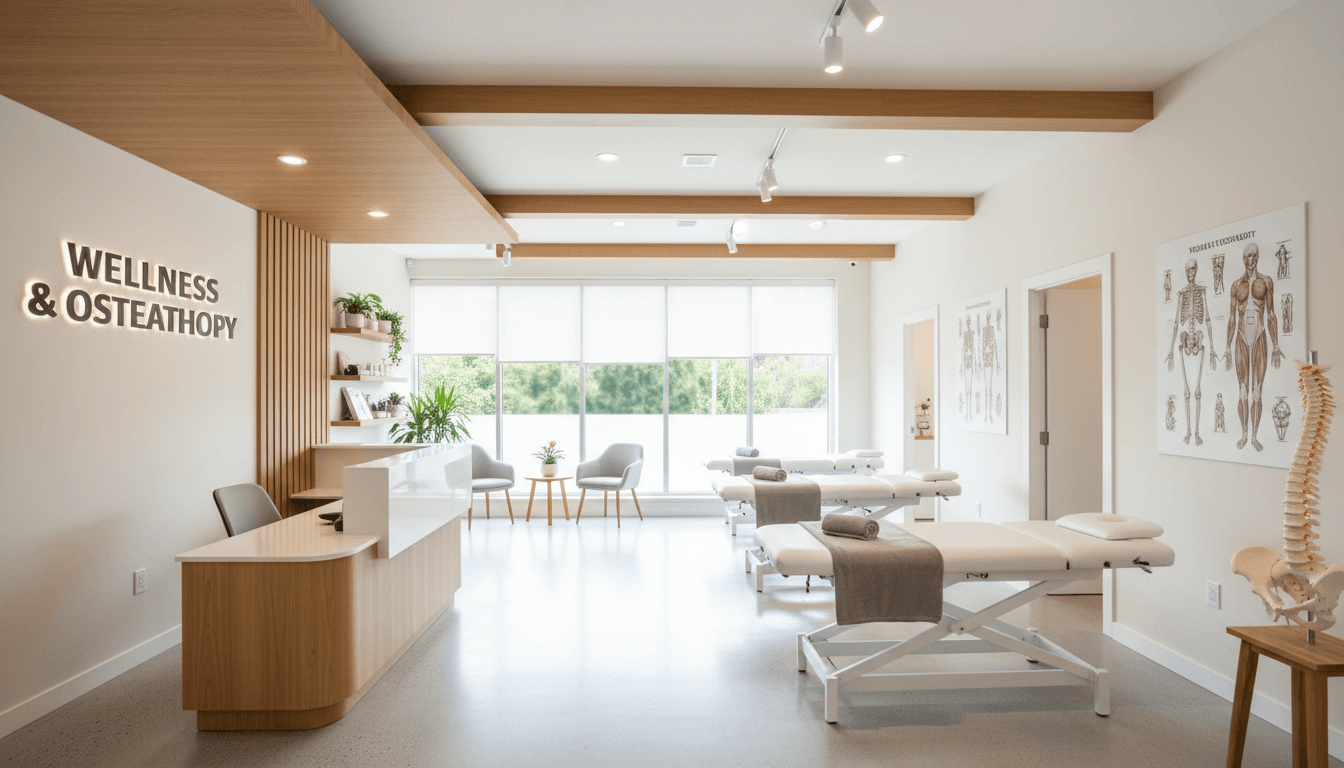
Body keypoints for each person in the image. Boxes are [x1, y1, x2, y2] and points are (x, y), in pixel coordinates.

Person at [1226, 242, 1284, 452]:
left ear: (1258, 257)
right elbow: (1232, 318)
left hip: (1259, 336)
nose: (1251, 259)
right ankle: (1243, 434)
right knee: (1242, 392)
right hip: (1241, 338)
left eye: (1254, 255)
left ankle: (1255, 436)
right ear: (1243, 259)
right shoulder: (1235, 286)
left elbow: (1271, 314)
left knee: (1257, 392)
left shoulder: (1266, 282)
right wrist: (1226, 347)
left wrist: (1276, 344)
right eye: (1248, 256)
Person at [1165, 259, 1219, 445]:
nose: (1191, 272)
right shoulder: (1181, 294)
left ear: (1196, 271)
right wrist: (1171, 351)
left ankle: (1196, 432)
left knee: (1197, 391)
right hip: (1184, 342)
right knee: (1187, 391)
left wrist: (1212, 349)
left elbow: (1209, 319)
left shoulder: (1201, 291)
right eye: (1188, 269)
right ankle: (1188, 431)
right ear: (1185, 271)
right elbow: (1174, 323)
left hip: (1198, 341)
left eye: (1194, 269)